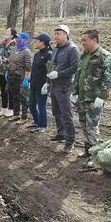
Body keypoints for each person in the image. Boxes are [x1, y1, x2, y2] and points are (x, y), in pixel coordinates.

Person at [71, 30, 111, 166]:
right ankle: (88, 151)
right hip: (83, 98)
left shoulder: (105, 56)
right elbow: (79, 75)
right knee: (84, 125)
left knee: (93, 128)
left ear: (94, 40)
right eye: (82, 40)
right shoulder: (84, 55)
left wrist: (101, 97)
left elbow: (108, 79)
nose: (82, 43)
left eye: (85, 40)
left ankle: (94, 157)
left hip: (94, 99)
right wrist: (75, 92)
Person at [46, 24, 80, 154]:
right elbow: (52, 66)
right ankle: (61, 133)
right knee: (56, 112)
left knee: (66, 114)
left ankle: (70, 141)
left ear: (66, 35)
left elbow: (75, 67)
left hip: (65, 86)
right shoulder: (56, 49)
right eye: (55, 34)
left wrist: (60, 74)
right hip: (54, 85)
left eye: (58, 34)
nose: (56, 36)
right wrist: (47, 82)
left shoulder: (72, 49)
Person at [29, 33, 53, 132]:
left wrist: (47, 84)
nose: (35, 42)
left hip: (42, 85)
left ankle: (42, 125)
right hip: (34, 84)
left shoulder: (49, 54)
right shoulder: (37, 54)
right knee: (31, 104)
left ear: (42, 42)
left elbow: (50, 70)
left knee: (41, 105)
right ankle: (36, 121)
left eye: (37, 40)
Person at [7, 32, 32, 123]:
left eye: (20, 39)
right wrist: (7, 71)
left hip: (21, 77)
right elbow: (10, 61)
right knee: (14, 96)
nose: (17, 40)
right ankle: (16, 114)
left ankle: (24, 117)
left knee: (23, 97)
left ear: (25, 40)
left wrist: (26, 79)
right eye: (17, 38)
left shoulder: (26, 52)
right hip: (11, 75)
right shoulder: (14, 49)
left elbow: (28, 67)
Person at [0, 29, 17, 117]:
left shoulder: (16, 45)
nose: (5, 34)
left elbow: (17, 58)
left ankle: (11, 108)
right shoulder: (2, 44)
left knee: (10, 90)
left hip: (10, 71)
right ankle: (4, 107)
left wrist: (7, 60)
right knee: (3, 89)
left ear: (12, 35)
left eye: (7, 33)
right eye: (5, 32)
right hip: (1, 70)